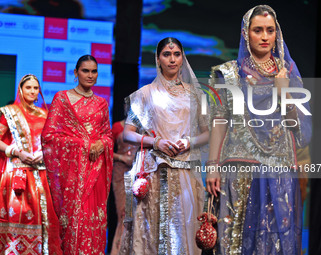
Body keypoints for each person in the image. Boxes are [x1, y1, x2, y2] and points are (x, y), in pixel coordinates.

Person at [206, 5, 312, 255]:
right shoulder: (229, 74)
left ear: (277, 34)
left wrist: (283, 90)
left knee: (273, 240)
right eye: (258, 30)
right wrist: (212, 166)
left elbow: (299, 130)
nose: (265, 36)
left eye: (270, 30)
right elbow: (219, 121)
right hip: (238, 167)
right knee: (235, 240)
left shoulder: (287, 73)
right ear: (246, 33)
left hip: (277, 169)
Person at [119, 37, 209, 255]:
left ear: (182, 58)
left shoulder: (197, 95)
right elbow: (127, 134)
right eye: (167, 54)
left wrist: (189, 141)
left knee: (183, 229)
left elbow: (208, 133)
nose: (172, 59)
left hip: (185, 171)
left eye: (177, 54)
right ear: (158, 59)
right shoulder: (144, 94)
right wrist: (156, 141)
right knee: (151, 232)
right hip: (153, 172)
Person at [41, 55, 114, 254]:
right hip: (72, 175)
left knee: (94, 219)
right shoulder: (62, 99)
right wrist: (84, 145)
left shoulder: (101, 103)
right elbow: (49, 137)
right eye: (85, 71)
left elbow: (108, 135)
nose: (90, 75)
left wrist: (102, 144)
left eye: (94, 71)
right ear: (75, 73)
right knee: (74, 220)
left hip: (96, 171)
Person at [0, 74, 62, 254]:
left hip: (42, 177)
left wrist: (45, 154)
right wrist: (17, 152)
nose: (32, 91)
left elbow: (53, 143)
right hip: (17, 177)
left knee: (46, 223)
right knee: (17, 221)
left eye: (36, 88)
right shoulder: (8, 112)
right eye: (28, 88)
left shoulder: (46, 115)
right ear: (21, 89)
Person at [109, 119, 138, 255]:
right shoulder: (117, 127)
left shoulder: (145, 125)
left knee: (136, 213)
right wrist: (122, 157)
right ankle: (119, 250)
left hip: (138, 172)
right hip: (121, 172)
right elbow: (107, 150)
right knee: (123, 213)